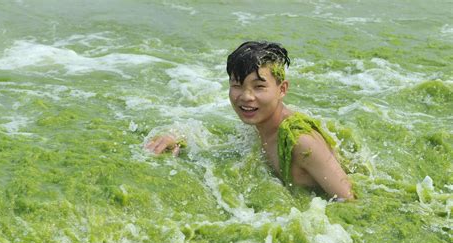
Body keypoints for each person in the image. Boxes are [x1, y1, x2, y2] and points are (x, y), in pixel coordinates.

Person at [145, 41, 354, 200]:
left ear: (282, 89)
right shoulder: (258, 125)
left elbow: (349, 199)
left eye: (259, 86)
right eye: (237, 85)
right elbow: (215, 139)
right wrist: (177, 136)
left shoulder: (301, 142)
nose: (246, 96)